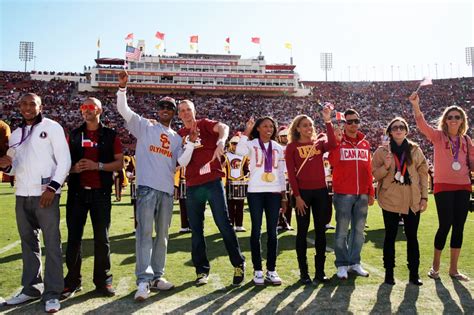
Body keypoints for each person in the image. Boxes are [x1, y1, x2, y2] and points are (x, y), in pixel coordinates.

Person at [0, 93, 71, 313]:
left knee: (51, 244)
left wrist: (53, 187)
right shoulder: (16, 134)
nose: (28, 107)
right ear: (19, 106)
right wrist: (5, 166)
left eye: (33, 104)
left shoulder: (52, 127)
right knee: (28, 244)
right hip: (22, 194)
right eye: (24, 104)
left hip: (46, 194)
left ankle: (53, 293)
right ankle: (31, 288)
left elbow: (65, 160)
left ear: (41, 106)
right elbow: (16, 167)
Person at [117, 71, 183, 300]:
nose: (165, 109)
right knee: (144, 234)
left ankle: (157, 276)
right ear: (157, 110)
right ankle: (143, 280)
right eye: (161, 106)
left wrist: (192, 143)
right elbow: (123, 111)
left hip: (166, 190)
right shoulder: (145, 126)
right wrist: (122, 88)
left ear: (174, 112)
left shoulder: (177, 138)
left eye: (169, 107)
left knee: (162, 235)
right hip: (146, 187)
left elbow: (181, 161)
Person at [177, 99, 246, 287]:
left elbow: (223, 126)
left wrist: (221, 141)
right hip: (192, 185)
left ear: (194, 110)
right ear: (179, 114)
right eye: (181, 110)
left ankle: (238, 264)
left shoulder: (204, 124)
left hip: (212, 182)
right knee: (196, 230)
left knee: (223, 223)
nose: (185, 113)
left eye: (188, 109)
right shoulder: (179, 134)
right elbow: (179, 160)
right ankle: (201, 271)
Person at [62, 97, 124, 299]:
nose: (86, 110)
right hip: (77, 193)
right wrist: (73, 168)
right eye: (83, 107)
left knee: (102, 239)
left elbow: (119, 164)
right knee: (73, 239)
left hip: (101, 193)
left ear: (99, 110)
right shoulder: (73, 134)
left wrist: (97, 166)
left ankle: (103, 281)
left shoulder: (110, 135)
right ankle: (72, 281)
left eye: (91, 107)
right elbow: (62, 163)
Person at [409, 92, 473, 281]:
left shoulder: (467, 141)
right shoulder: (438, 136)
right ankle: (435, 267)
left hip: (463, 187)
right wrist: (416, 105)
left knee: (459, 227)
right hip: (443, 187)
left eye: (457, 117)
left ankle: (453, 269)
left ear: (462, 120)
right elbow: (422, 124)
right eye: (450, 117)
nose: (453, 120)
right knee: (445, 225)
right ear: (445, 120)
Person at [372, 117, 428, 286]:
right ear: (390, 131)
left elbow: (424, 175)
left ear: (406, 130)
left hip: (412, 199)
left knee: (412, 237)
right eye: (395, 127)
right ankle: (389, 273)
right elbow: (375, 175)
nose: (398, 130)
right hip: (390, 199)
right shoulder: (382, 151)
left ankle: (414, 274)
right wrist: (387, 166)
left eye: (401, 127)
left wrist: (424, 197)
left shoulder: (415, 150)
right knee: (390, 236)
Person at [285, 106, 336, 285]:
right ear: (297, 128)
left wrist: (328, 121)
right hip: (303, 194)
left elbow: (333, 144)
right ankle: (304, 272)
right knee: (302, 231)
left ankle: (320, 272)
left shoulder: (318, 144)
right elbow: (291, 174)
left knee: (321, 231)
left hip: (321, 191)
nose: (309, 128)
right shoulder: (291, 147)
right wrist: (297, 197)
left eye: (311, 125)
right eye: (305, 125)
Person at [236, 116, 286, 286]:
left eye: (271, 126)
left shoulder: (278, 147)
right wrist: (247, 131)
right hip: (255, 191)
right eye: (265, 126)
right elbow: (239, 151)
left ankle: (271, 270)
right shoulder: (252, 144)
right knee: (255, 231)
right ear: (258, 128)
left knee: (273, 231)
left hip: (273, 192)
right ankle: (257, 270)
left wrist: (283, 193)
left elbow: (280, 171)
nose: (269, 129)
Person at [328, 108, 375, 279]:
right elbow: (332, 161)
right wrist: (337, 143)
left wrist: (371, 191)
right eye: (349, 121)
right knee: (341, 230)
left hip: (362, 193)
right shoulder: (339, 142)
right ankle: (342, 264)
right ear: (344, 124)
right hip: (343, 194)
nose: (353, 124)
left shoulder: (365, 143)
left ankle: (355, 262)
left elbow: (368, 169)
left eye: (356, 121)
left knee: (359, 231)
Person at [225, 133, 249, 232]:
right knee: (229, 206)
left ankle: (239, 225)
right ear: (230, 144)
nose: (235, 146)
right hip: (229, 183)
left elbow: (246, 169)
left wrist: (247, 175)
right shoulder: (225, 155)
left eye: (237, 144)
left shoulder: (244, 156)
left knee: (240, 205)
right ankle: (230, 225)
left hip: (240, 183)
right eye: (234, 143)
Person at [276, 126, 294, 231]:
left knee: (289, 201)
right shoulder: (276, 147)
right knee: (279, 201)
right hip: (279, 178)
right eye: (283, 136)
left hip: (290, 177)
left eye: (287, 136)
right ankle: (279, 221)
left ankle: (288, 222)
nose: (285, 138)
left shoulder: (291, 147)